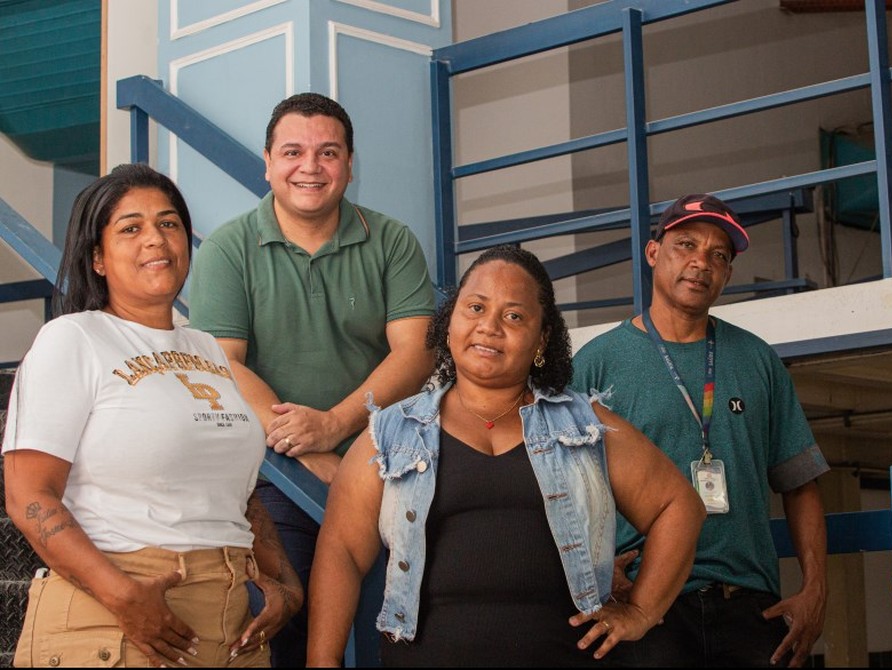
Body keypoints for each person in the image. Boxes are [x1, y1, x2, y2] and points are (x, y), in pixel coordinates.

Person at [306, 244, 706, 667]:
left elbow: (678, 507)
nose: (489, 327)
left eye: (514, 316)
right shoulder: (391, 431)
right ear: (449, 323)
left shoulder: (584, 425)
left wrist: (642, 611)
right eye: (475, 307)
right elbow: (342, 551)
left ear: (542, 338)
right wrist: (322, 660)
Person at [2, 163, 302, 668]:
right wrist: (122, 597)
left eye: (168, 223)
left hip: (230, 622)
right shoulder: (74, 338)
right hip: (117, 616)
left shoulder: (207, 348)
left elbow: (237, 489)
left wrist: (285, 580)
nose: (155, 240)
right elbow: (27, 494)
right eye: (130, 228)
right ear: (97, 257)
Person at [188, 92, 436, 667]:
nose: (311, 166)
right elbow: (223, 365)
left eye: (328, 152)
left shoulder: (392, 240)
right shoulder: (228, 248)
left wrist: (335, 427)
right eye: (293, 152)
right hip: (274, 477)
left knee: (403, 627)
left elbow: (417, 352)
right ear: (268, 162)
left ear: (349, 165)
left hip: (390, 465)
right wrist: (307, 450)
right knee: (285, 623)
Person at [571, 193, 829, 667]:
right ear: (653, 254)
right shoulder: (596, 364)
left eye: (718, 255)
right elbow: (557, 491)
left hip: (750, 606)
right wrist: (593, 573)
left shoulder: (757, 360)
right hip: (644, 608)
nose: (700, 263)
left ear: (728, 273)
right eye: (686, 245)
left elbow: (800, 485)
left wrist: (816, 589)